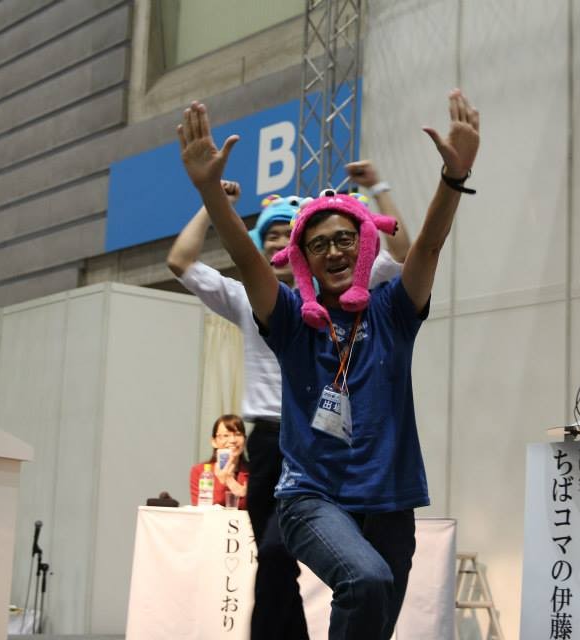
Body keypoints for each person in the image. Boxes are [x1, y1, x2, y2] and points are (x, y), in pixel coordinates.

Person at [176, 88, 479, 639]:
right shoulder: (292, 319)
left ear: (364, 244)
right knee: (364, 579)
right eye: (319, 245)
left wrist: (453, 178)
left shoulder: (392, 311)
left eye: (345, 238)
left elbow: (428, 249)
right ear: (303, 259)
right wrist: (209, 194)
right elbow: (245, 259)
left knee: (374, 615)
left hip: (391, 500)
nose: (334, 250)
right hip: (310, 497)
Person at [167, 164, 409, 639]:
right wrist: (214, 205)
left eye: (288, 233)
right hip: (272, 440)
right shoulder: (251, 299)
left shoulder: (340, 296)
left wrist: (378, 189)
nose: (279, 241)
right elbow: (180, 261)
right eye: (270, 235)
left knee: (363, 564)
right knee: (275, 557)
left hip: (332, 440)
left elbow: (401, 255)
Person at [189, 414, 249, 508]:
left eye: (238, 434)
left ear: (245, 440)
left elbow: (257, 506)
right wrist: (226, 482)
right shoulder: (200, 471)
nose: (232, 440)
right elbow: (203, 507)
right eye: (226, 435)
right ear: (214, 441)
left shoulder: (254, 471)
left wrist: (230, 481)